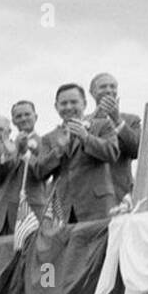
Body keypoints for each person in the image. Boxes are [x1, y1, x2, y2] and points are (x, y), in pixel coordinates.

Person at [30, 83, 122, 222]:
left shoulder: (102, 125)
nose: (68, 107)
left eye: (73, 102)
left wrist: (86, 137)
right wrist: (59, 151)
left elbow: (112, 153)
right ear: (56, 107)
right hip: (63, 209)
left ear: (84, 103)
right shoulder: (49, 138)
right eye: (63, 103)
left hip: (97, 207)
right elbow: (39, 171)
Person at [0, 100, 48, 237]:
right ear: (13, 121)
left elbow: (42, 172)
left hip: (30, 213)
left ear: (35, 117)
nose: (23, 119)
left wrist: (24, 152)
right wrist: (9, 155)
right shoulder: (3, 146)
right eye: (18, 116)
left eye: (27, 114)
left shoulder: (46, 143)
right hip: (1, 217)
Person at [88, 73, 141, 200]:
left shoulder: (131, 120)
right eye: (103, 87)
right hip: (88, 199)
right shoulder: (83, 123)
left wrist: (117, 120)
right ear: (92, 92)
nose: (108, 90)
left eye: (112, 86)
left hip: (119, 195)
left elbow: (137, 150)